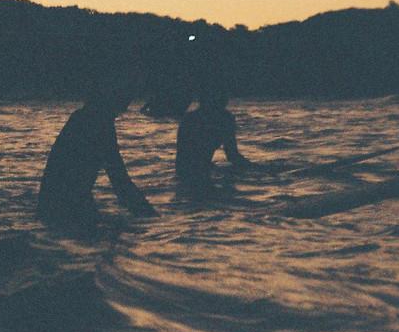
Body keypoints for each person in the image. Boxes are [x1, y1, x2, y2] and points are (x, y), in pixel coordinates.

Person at [37, 84, 157, 229]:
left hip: (51, 205)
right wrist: (153, 220)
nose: (123, 110)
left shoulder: (80, 118)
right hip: (70, 208)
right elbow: (120, 181)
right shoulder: (99, 123)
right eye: (124, 103)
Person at [175, 84, 253, 198]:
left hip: (194, 171)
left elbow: (232, 155)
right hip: (190, 172)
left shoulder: (224, 119)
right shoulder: (193, 120)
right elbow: (232, 156)